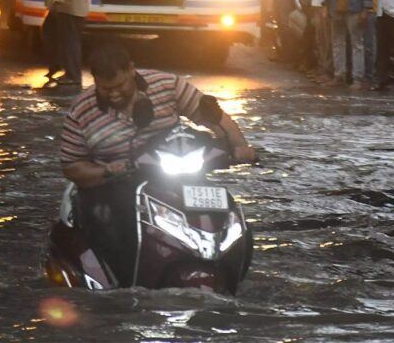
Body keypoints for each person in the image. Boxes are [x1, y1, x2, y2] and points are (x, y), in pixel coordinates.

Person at [60, 41, 256, 286]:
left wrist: (239, 147)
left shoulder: (167, 85)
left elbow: (214, 117)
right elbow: (71, 166)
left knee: (228, 211)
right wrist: (108, 170)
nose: (114, 93)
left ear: (132, 70)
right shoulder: (81, 110)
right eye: (105, 88)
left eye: (120, 85)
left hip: (174, 175)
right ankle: (126, 285)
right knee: (117, 226)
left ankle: (231, 271)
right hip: (115, 184)